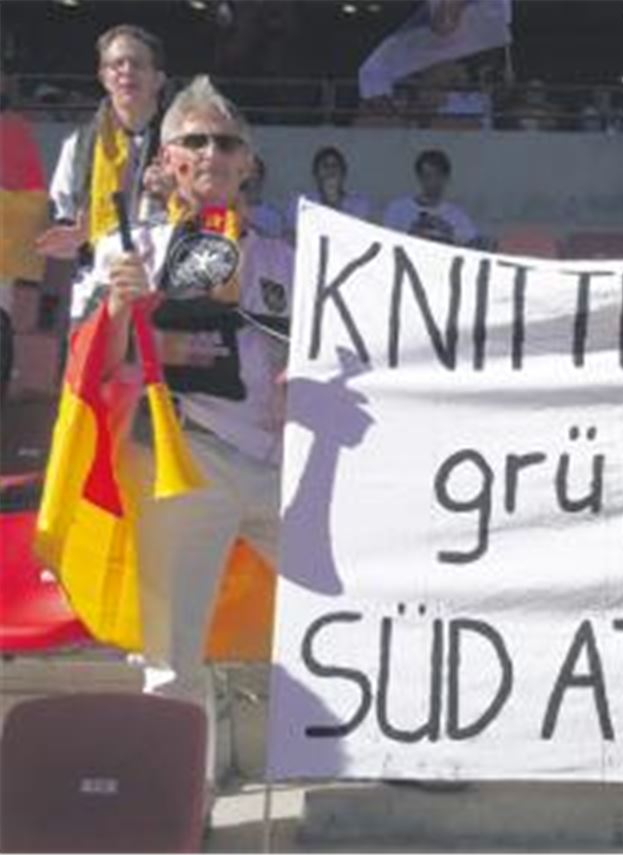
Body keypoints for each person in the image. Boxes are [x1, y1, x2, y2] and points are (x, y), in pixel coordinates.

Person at [68, 75, 293, 792]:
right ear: (165, 160)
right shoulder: (124, 253)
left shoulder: (290, 258)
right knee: (172, 656)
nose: (211, 153)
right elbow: (87, 372)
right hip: (178, 457)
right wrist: (123, 318)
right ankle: (176, 806)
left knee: (359, 602)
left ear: (248, 163)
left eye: (227, 142)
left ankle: (397, 754)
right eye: (193, 140)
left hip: (280, 462)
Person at [36, 25, 168, 262]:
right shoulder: (78, 146)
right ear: (103, 77)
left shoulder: (184, 144)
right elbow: (62, 215)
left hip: (164, 274)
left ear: (158, 79)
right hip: (97, 277)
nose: (126, 71)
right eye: (117, 64)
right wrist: (75, 236)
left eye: (137, 64)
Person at [382, 149, 478, 247]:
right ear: (419, 177)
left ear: (446, 178)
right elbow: (387, 244)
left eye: (438, 176)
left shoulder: (457, 216)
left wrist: (448, 234)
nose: (433, 182)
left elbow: (471, 245)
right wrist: (412, 233)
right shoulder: (398, 210)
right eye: (428, 176)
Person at [287, 145, 373, 239]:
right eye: (325, 166)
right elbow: (292, 237)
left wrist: (333, 198)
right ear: (315, 173)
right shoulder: (301, 203)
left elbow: (361, 237)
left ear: (343, 172)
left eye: (335, 165)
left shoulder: (359, 204)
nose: (330, 170)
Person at [242, 154, 286, 240]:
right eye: (245, 171)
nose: (250, 176)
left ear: (261, 177)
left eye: (254, 171)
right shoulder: (218, 210)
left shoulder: (273, 217)